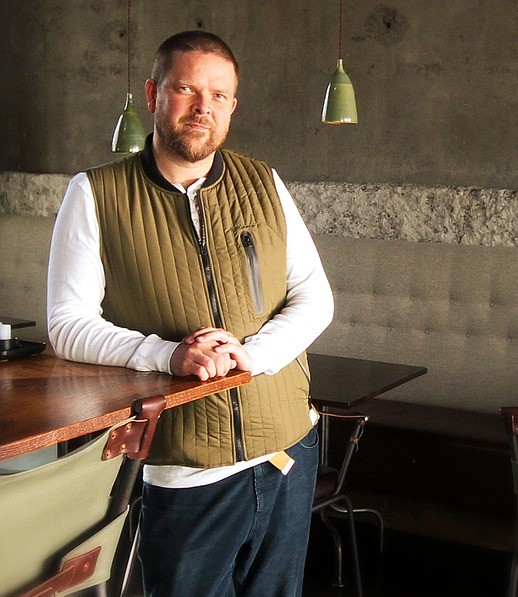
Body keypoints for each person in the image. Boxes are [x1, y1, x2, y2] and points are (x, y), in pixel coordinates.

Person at [47, 30, 334, 597]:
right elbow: (66, 324)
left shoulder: (264, 182)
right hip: (185, 468)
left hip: (287, 450)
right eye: (186, 89)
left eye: (219, 95)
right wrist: (167, 354)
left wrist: (250, 355)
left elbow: (314, 296)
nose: (204, 107)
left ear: (233, 105)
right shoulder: (95, 193)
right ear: (154, 93)